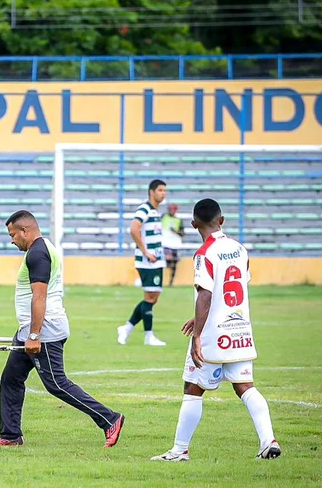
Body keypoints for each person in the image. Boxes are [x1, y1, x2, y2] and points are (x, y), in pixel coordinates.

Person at [151, 198, 281, 462]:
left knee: (193, 388)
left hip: (214, 333)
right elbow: (232, 289)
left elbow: (206, 294)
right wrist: (196, 318)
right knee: (245, 386)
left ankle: (179, 451)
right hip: (239, 329)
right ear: (221, 220)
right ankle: (269, 442)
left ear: (193, 224)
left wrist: (198, 334)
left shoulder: (204, 253)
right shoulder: (239, 249)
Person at [0, 210, 126, 448]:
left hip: (43, 331)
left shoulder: (38, 254)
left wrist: (34, 335)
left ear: (25, 231)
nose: (11, 240)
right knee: (11, 379)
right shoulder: (42, 248)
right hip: (30, 330)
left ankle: (110, 419)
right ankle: (10, 436)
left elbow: (39, 297)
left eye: (13, 235)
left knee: (57, 384)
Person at [117, 179, 168, 347]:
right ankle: (148, 335)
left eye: (164, 190)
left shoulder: (155, 211)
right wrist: (146, 252)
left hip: (156, 260)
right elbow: (133, 228)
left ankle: (127, 328)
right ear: (152, 192)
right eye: (160, 190)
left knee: (153, 297)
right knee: (149, 297)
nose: (163, 193)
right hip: (147, 261)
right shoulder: (144, 208)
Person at [162, 203, 185, 287]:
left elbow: (183, 233)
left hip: (175, 244)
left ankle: (171, 282)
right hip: (165, 243)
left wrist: (176, 231)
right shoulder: (163, 217)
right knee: (167, 259)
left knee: (174, 264)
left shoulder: (178, 220)